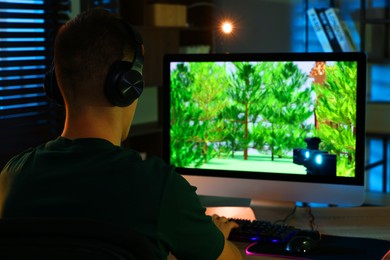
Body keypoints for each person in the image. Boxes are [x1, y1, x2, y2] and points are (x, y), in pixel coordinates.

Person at [0, 8, 242, 260]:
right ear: (127, 85)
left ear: (55, 84)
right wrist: (216, 238)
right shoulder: (159, 188)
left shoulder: (11, 177)